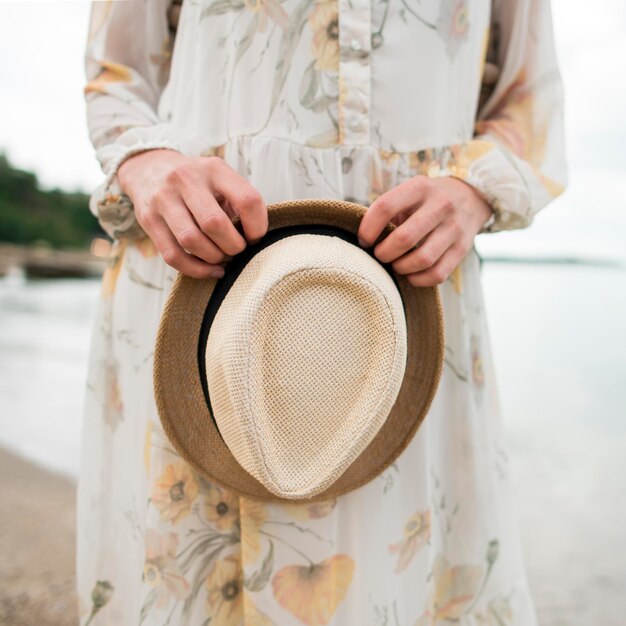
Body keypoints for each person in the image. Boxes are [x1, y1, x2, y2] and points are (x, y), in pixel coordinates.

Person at [77, 0, 567, 623]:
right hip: (193, 273)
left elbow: (530, 99)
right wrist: (148, 168)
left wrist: (470, 192)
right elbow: (116, 71)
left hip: (410, 298)